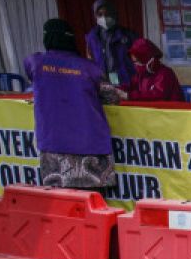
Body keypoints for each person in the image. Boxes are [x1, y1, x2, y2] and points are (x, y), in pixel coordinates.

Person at [23, 18, 120, 190]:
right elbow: (111, 97)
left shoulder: (35, 63)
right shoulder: (90, 68)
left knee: (61, 204)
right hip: (90, 143)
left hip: (53, 144)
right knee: (94, 203)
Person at [85, 0, 136, 86]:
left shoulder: (128, 35)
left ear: (113, 14)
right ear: (95, 16)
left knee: (122, 96)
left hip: (125, 78)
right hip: (104, 78)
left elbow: (137, 59)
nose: (104, 17)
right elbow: (90, 60)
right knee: (110, 98)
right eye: (100, 14)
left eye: (107, 14)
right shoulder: (92, 37)